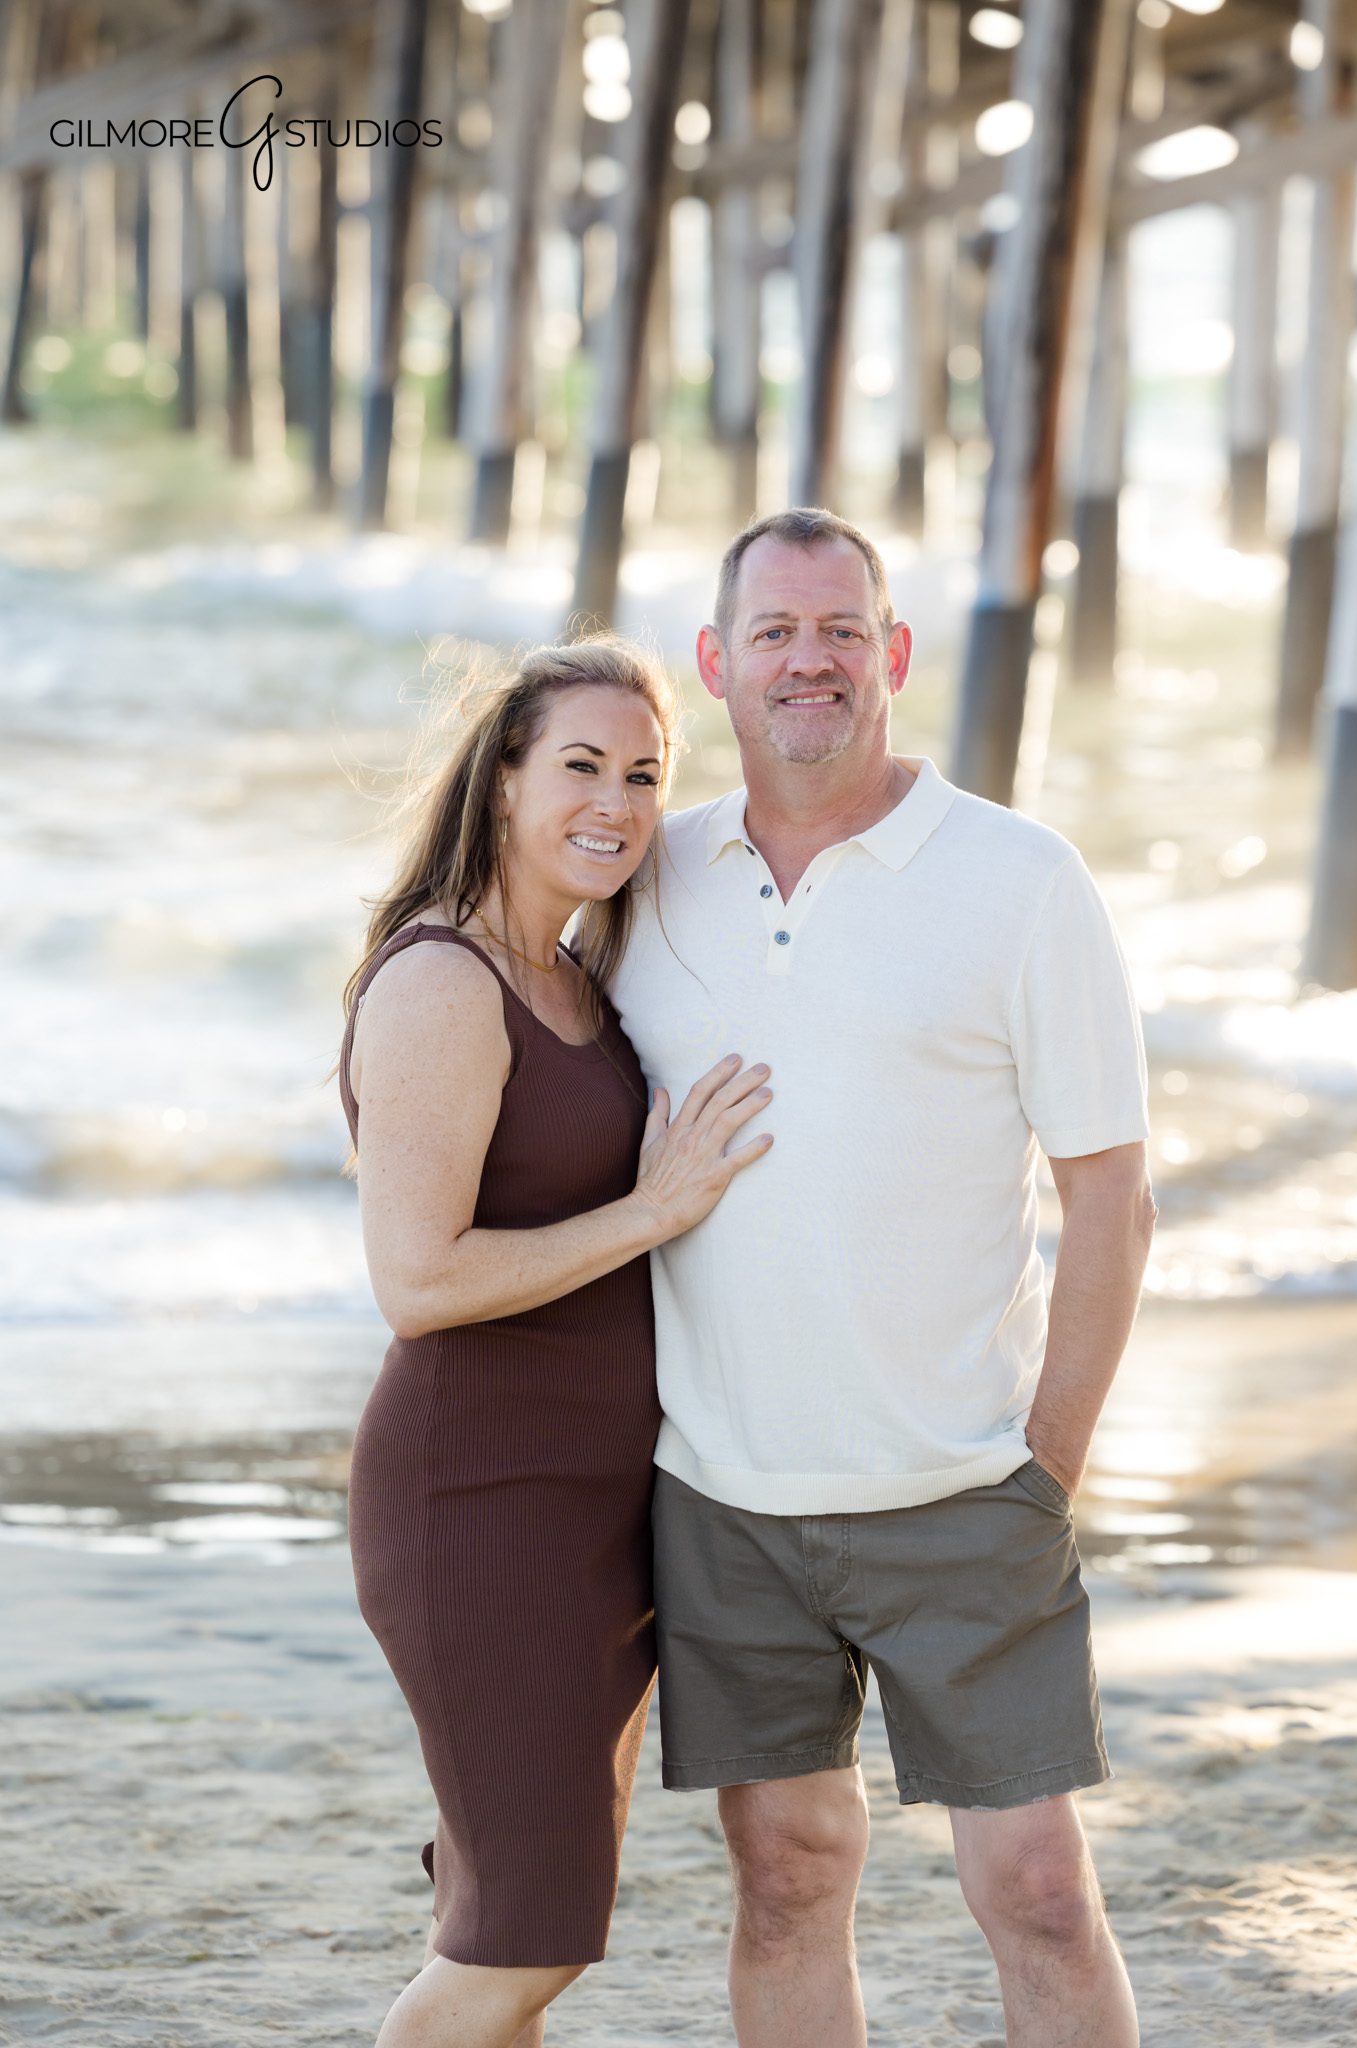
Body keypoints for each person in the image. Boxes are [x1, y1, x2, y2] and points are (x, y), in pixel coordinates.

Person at [609, 509, 1156, 2048]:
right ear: (714, 663)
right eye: (774, 632)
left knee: (1038, 1890)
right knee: (785, 1877)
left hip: (965, 1490)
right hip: (721, 1500)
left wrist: (1044, 1467)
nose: (811, 660)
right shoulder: (645, 876)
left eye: (842, 629)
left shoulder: (1019, 878)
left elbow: (1110, 1197)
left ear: (894, 653)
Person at [337, 637, 773, 2048]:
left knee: (511, 1922)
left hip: (602, 1516)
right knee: (527, 1937)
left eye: (645, 775)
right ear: (504, 780)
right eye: (580, 765)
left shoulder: (585, 980)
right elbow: (418, 1279)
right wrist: (654, 1210)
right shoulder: (442, 983)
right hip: (480, 1505)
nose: (617, 802)